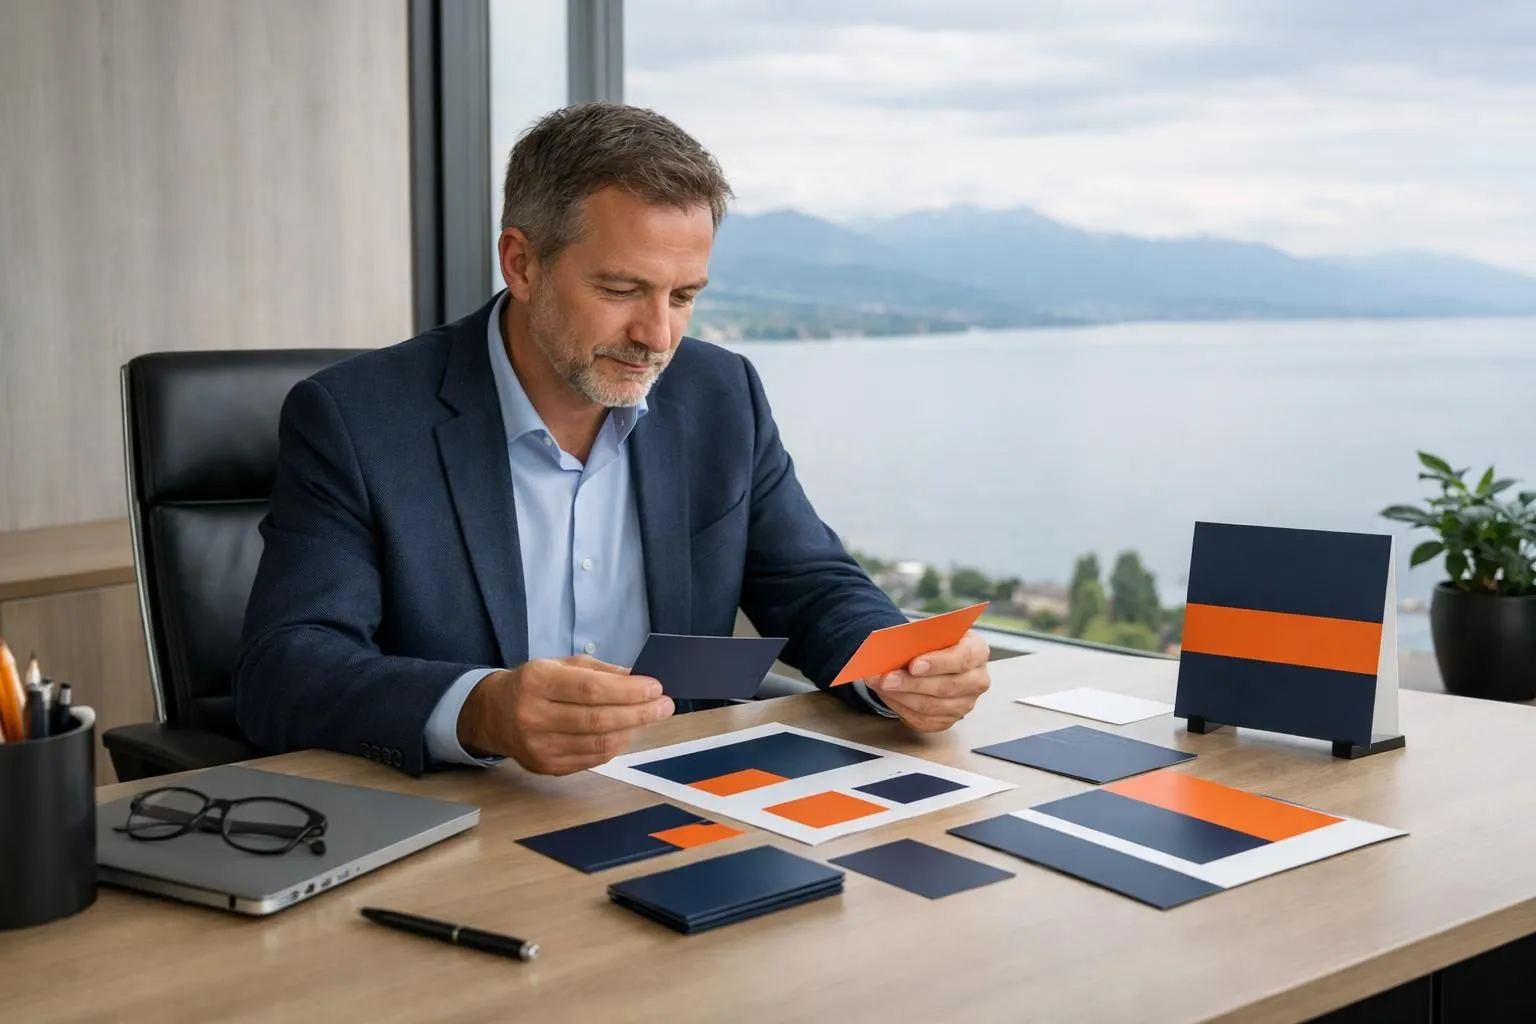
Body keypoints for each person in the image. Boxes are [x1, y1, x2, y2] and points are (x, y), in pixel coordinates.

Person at [233, 103, 990, 777]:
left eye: (683, 297)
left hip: (687, 794)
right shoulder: (356, 419)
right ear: (521, 263)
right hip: (470, 814)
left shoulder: (721, 394)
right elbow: (285, 668)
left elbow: (813, 585)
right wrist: (482, 709)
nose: (656, 336)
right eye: (622, 290)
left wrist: (903, 666)